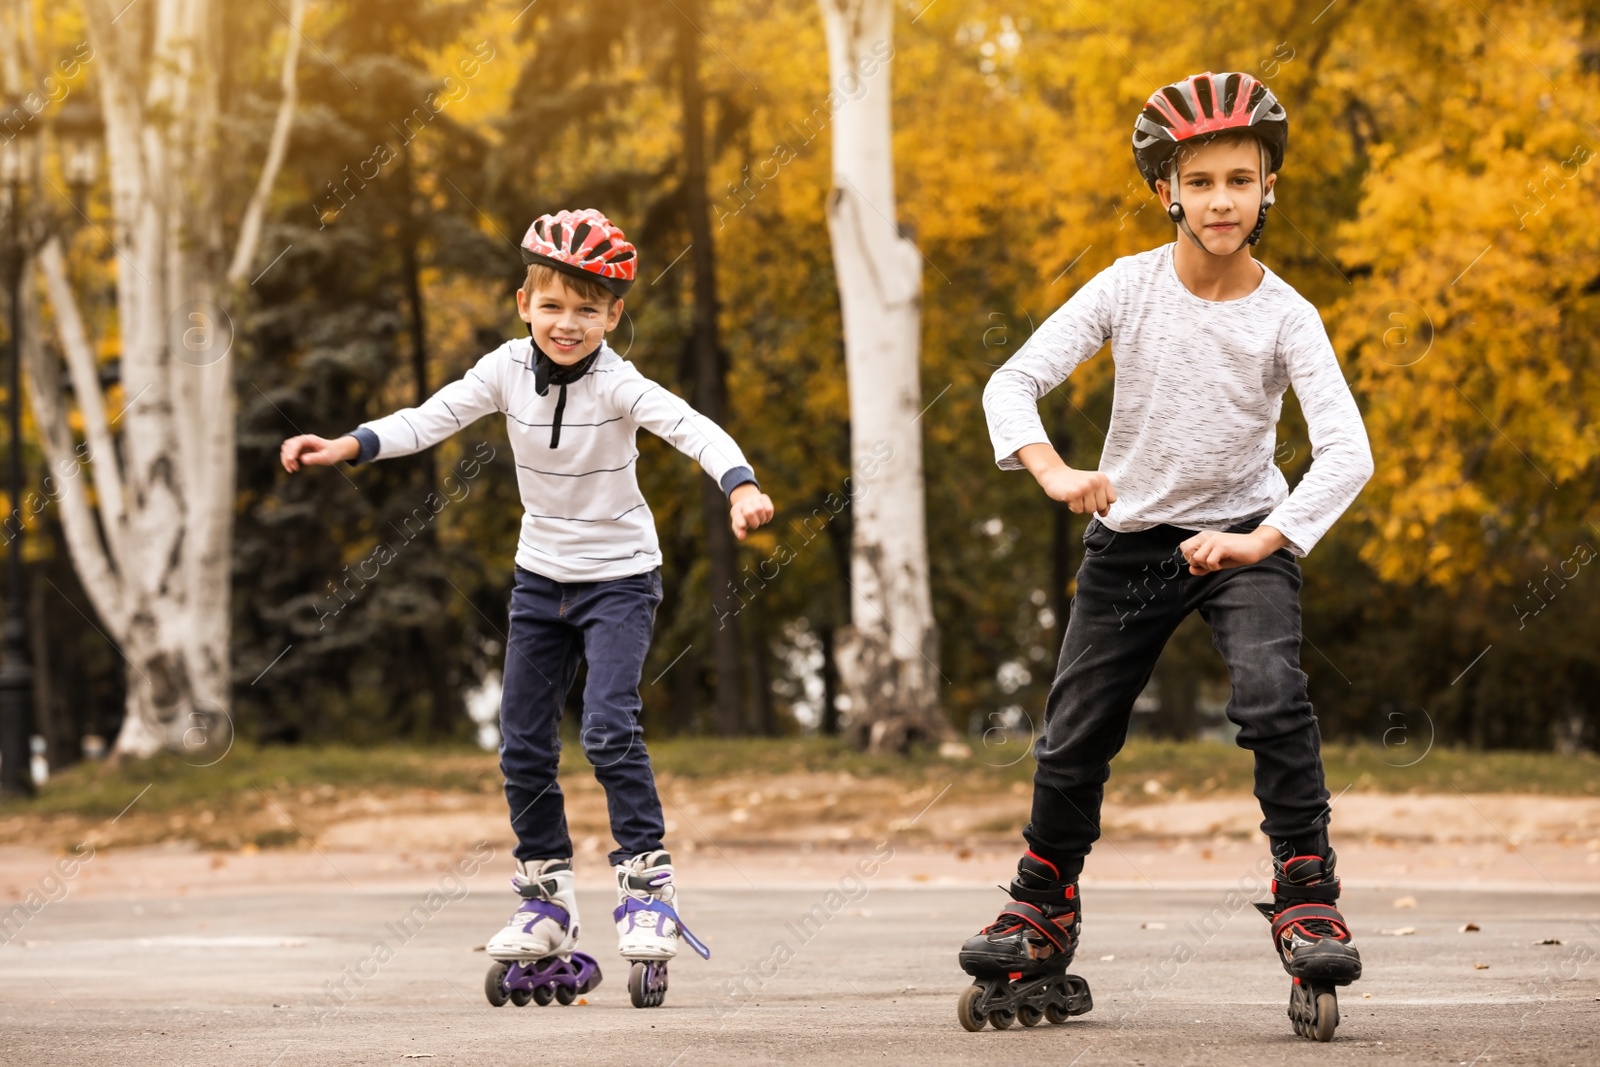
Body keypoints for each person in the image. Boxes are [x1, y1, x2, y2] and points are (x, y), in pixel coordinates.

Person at [956, 72, 1373, 1036]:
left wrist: (1266, 537)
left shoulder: (1287, 315)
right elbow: (1010, 384)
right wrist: (1056, 472)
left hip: (1246, 538)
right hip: (1130, 543)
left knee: (1272, 695)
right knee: (1074, 731)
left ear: (1269, 187)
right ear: (1166, 192)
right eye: (1202, 182)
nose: (1221, 199)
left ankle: (1307, 893)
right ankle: (1042, 904)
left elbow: (1348, 449)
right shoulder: (1126, 285)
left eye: (1241, 178)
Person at [280, 208, 773, 1008]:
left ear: (615, 315)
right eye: (553, 306)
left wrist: (740, 484)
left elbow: (694, 429)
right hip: (540, 581)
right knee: (520, 739)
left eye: (588, 309)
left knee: (609, 726)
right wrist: (348, 444)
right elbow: (427, 418)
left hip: (620, 577)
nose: (567, 324)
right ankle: (545, 897)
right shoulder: (504, 370)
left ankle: (648, 890)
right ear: (523, 303)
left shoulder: (621, 383)